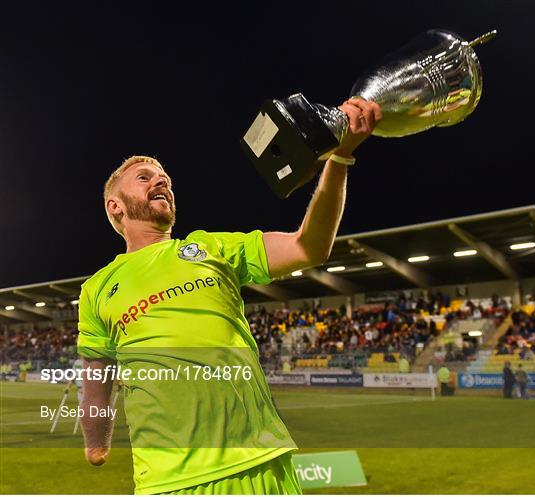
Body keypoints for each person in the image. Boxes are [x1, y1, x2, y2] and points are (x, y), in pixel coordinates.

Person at [77, 98, 382, 494]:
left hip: (262, 463)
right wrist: (96, 443)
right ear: (114, 206)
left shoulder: (211, 248)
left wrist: (339, 160)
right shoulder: (98, 287)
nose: (162, 181)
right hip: (172, 480)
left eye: (164, 176)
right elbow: (96, 382)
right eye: (144, 176)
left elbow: (309, 247)